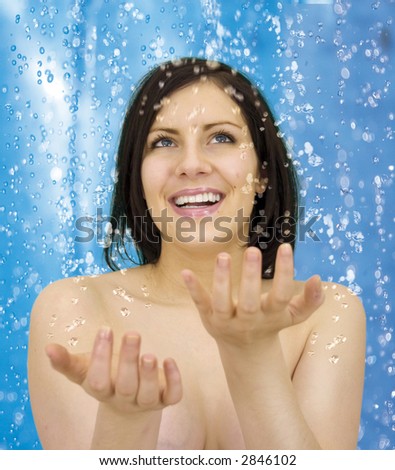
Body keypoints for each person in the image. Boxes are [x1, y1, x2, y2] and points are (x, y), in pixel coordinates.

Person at [27, 57, 366, 450]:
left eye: (221, 137)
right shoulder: (73, 309)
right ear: (137, 175)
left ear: (263, 174)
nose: (191, 165)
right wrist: (126, 420)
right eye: (164, 142)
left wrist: (254, 362)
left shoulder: (325, 314)